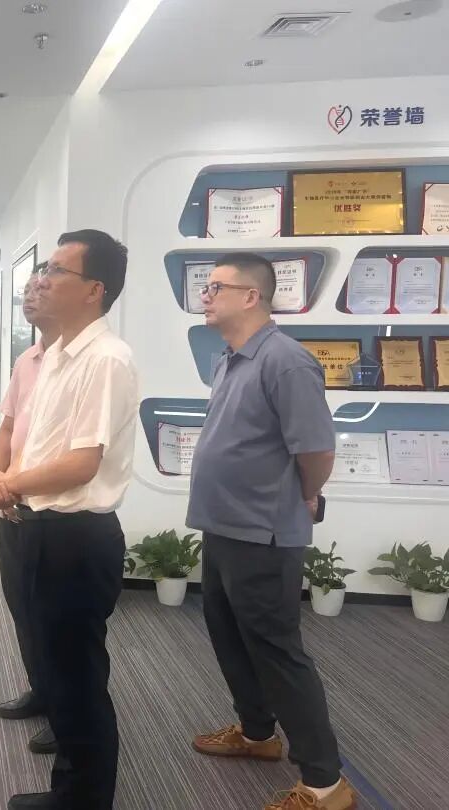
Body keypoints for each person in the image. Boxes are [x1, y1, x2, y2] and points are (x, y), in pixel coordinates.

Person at [186, 253, 355, 810]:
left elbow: (317, 450)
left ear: (251, 296)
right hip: (223, 525)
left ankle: (325, 784)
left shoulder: (286, 362)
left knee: (278, 652)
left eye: (216, 286)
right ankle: (258, 734)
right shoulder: (231, 359)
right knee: (230, 637)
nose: (205, 295)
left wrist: (307, 494)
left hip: (263, 532)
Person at [0, 230, 138, 810]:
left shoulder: (105, 360)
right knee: (60, 668)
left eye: (56, 271)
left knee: (78, 678)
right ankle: (76, 786)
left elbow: (80, 463)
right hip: (42, 527)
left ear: (94, 290)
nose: (41, 281)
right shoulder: (55, 358)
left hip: (75, 537)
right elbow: (24, 438)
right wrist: (6, 481)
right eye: (43, 268)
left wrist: (6, 483)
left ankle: (82, 797)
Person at [0, 272, 60, 756]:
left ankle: (66, 710)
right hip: (14, 507)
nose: (31, 296)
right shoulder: (26, 360)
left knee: (57, 618)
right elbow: (7, 428)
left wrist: (10, 484)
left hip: (55, 514)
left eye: (42, 287)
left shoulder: (86, 363)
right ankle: (42, 690)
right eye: (27, 290)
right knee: (22, 607)